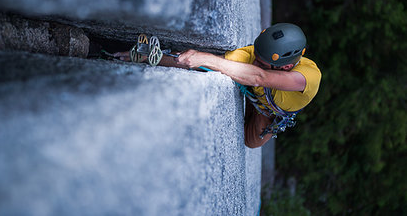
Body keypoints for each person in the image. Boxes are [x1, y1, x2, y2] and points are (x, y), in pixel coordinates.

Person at [114, 23, 321, 148]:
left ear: (284, 67)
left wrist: (205, 58)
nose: (254, 60)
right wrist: (148, 57)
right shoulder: (253, 55)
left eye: (261, 62)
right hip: (256, 92)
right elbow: (203, 64)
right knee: (231, 67)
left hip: (269, 111)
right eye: (255, 56)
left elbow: (260, 77)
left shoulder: (307, 77)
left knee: (251, 142)